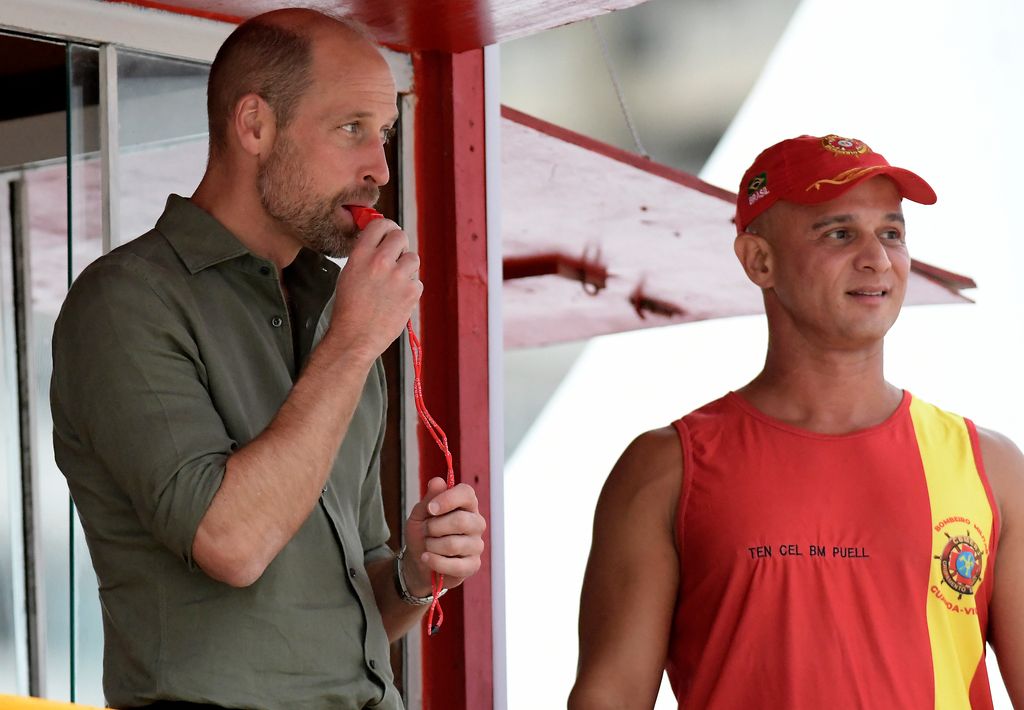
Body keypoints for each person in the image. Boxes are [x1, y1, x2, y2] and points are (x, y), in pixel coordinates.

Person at [50, 9, 485, 710]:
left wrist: (413, 573)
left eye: (384, 136)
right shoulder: (124, 302)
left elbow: (351, 602)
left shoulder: (336, 310)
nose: (379, 168)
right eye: (352, 130)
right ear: (254, 126)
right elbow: (231, 542)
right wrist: (351, 345)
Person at [568, 134, 1024, 708]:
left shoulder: (991, 467)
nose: (877, 259)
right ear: (759, 260)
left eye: (892, 233)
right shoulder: (666, 469)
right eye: (839, 233)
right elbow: (609, 697)